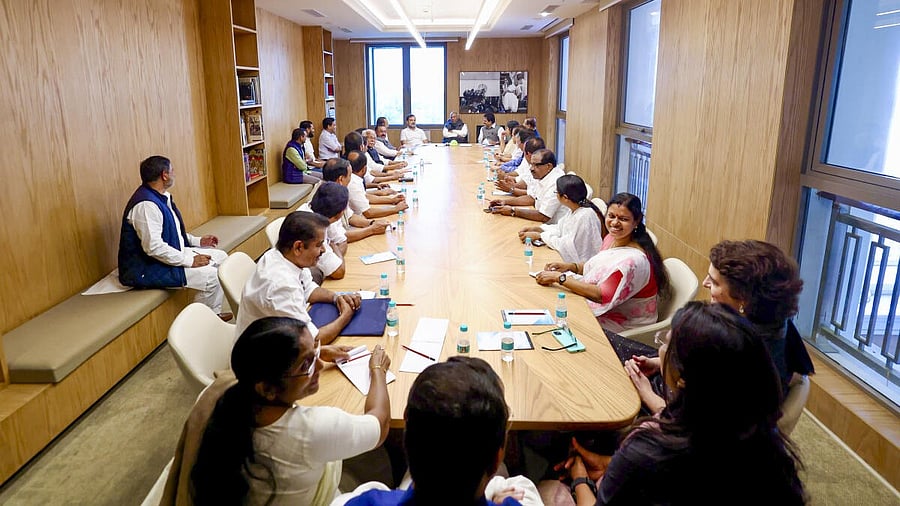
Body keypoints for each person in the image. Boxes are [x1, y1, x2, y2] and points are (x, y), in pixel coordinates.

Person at [553, 302, 806, 505]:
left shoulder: (649, 446)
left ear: (682, 378)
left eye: (665, 342)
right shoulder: (768, 450)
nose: (660, 348)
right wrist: (611, 466)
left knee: (546, 489)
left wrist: (579, 478)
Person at [186, 317, 392, 506]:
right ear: (267, 389)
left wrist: (313, 354)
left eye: (316, 352)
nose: (319, 365)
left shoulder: (225, 399)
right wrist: (377, 370)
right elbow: (380, 425)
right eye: (306, 364)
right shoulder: (310, 429)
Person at [334, 357, 541, 506]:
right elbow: (524, 490)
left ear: (405, 437)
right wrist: (495, 492)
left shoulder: (368, 500)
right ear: (498, 458)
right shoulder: (518, 498)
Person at [534, 193, 670, 332]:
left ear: (636, 221)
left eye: (623, 219)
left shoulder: (633, 262)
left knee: (562, 318)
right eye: (611, 216)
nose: (615, 223)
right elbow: (599, 268)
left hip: (623, 323)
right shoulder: (612, 238)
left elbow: (601, 295)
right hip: (605, 306)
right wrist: (571, 267)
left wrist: (560, 278)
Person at [118, 155, 229, 317]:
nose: (174, 174)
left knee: (222, 258)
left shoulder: (161, 197)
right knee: (211, 276)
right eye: (173, 171)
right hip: (145, 267)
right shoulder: (146, 205)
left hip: (162, 258)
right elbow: (153, 248)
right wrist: (189, 261)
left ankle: (213, 315)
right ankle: (199, 324)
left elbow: (173, 231)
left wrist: (198, 241)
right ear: (164, 175)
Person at [234, 211, 362, 344]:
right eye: (319, 245)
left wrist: (336, 298)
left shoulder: (285, 257)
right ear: (298, 247)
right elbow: (312, 341)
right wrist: (346, 316)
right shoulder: (281, 285)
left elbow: (309, 289)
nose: (323, 250)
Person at [518, 175, 604, 264]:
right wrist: (539, 229)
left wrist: (541, 236)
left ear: (565, 198)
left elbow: (568, 246)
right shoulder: (575, 209)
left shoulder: (585, 216)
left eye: (556, 192)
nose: (556, 194)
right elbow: (561, 228)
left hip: (581, 266)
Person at [320, 157, 391, 243]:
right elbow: (340, 237)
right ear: (341, 179)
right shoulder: (326, 199)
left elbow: (350, 217)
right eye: (350, 175)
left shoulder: (337, 191)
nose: (351, 179)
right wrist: (371, 230)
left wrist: (372, 223)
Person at [490, 148, 567, 224]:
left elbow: (544, 216)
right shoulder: (543, 174)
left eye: (536, 165)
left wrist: (512, 211)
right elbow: (531, 198)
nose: (531, 169)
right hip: (540, 222)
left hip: (551, 229)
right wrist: (505, 202)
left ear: (549, 166)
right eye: (531, 164)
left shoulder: (556, 182)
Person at [298, 182, 350, 281]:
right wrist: (334, 248)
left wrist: (334, 255)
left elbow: (342, 240)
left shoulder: (318, 212)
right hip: (302, 280)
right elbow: (339, 272)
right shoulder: (312, 228)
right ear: (340, 213)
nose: (323, 249)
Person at [347, 150, 409, 219]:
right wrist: (395, 209)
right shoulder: (353, 183)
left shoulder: (355, 178)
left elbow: (365, 196)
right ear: (364, 169)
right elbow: (368, 213)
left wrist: (392, 200)